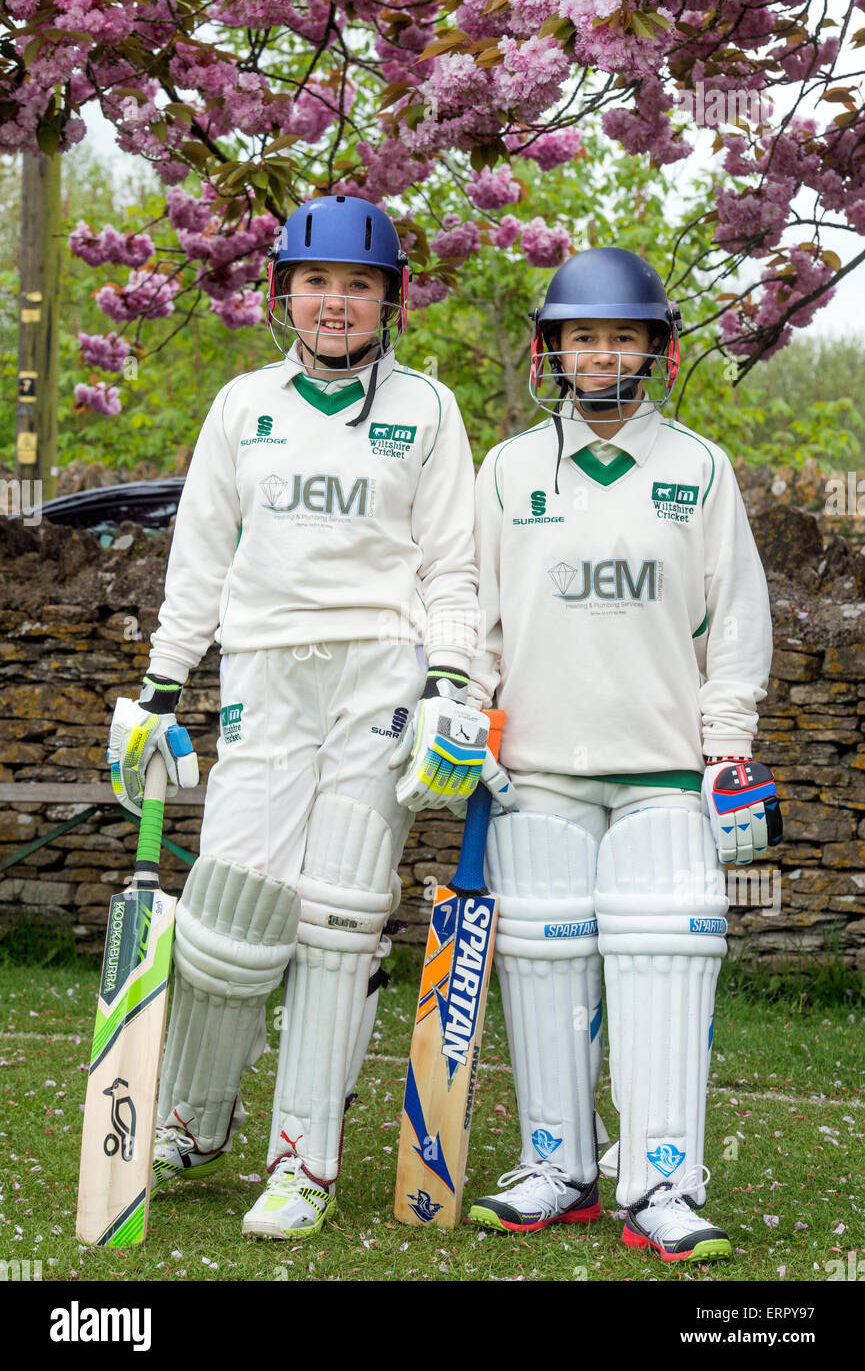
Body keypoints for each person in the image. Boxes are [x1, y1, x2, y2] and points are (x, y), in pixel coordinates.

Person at [107, 194, 496, 1240]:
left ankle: (301, 1160)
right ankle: (199, 1108)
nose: (336, 303)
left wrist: (455, 687)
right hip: (264, 671)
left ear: (389, 301)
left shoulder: (428, 409)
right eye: (318, 283)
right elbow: (198, 561)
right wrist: (156, 687)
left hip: (378, 671)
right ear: (285, 292)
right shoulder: (244, 406)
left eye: (358, 286)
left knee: (338, 917)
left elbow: (452, 565)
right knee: (229, 905)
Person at [465, 246, 782, 1262]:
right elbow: (477, 615)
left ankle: (662, 1184)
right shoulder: (511, 468)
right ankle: (555, 1165)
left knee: (662, 971)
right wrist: (465, 710)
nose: (600, 356)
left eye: (620, 337)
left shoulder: (696, 468)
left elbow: (735, 625)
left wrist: (725, 748)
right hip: (541, 772)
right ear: (549, 351)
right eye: (580, 338)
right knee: (544, 974)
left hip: (662, 774)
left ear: (656, 350)